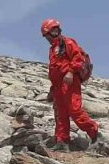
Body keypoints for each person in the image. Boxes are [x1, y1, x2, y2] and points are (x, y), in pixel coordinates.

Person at [41, 19, 99, 152]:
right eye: (51, 31)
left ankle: (95, 134)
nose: (54, 33)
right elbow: (54, 71)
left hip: (69, 83)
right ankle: (62, 141)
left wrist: (71, 72)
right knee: (60, 114)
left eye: (56, 30)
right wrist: (52, 90)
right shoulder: (53, 50)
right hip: (58, 86)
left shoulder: (67, 42)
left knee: (75, 110)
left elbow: (77, 58)